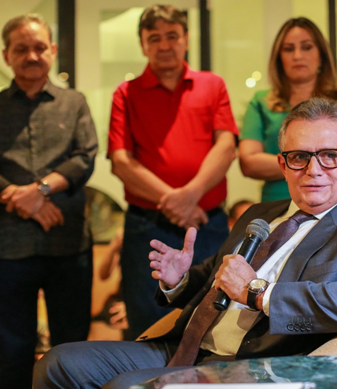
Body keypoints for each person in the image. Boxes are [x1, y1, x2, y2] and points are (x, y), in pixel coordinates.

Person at [35, 97, 337, 389]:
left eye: (330, 156)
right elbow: (215, 280)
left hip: (255, 362)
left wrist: (258, 292)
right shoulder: (259, 213)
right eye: (299, 157)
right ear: (283, 164)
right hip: (183, 347)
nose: (314, 170)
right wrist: (178, 279)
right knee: (57, 363)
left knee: (126, 386)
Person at [108, 4, 238, 339]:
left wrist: (189, 196)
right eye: (154, 38)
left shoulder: (213, 85)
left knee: (213, 316)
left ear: (186, 39)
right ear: (142, 44)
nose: (164, 45)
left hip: (207, 224)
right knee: (146, 320)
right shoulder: (126, 93)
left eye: (172, 36)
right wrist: (178, 204)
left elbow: (226, 147)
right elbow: (121, 161)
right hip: (146, 227)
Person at [0, 14, 98, 388]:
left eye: (39, 47)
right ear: (7, 54)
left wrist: (37, 192)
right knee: (10, 351)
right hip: (9, 248)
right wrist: (27, 200)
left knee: (71, 350)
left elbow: (85, 157)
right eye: (21, 48)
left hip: (68, 244)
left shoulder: (74, 103)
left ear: (53, 51)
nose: (32, 55)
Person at [240, 17, 337, 202]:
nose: (297, 55)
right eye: (289, 49)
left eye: (306, 47)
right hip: (279, 207)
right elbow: (248, 163)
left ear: (321, 55)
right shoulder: (261, 102)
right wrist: (325, 164)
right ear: (279, 58)